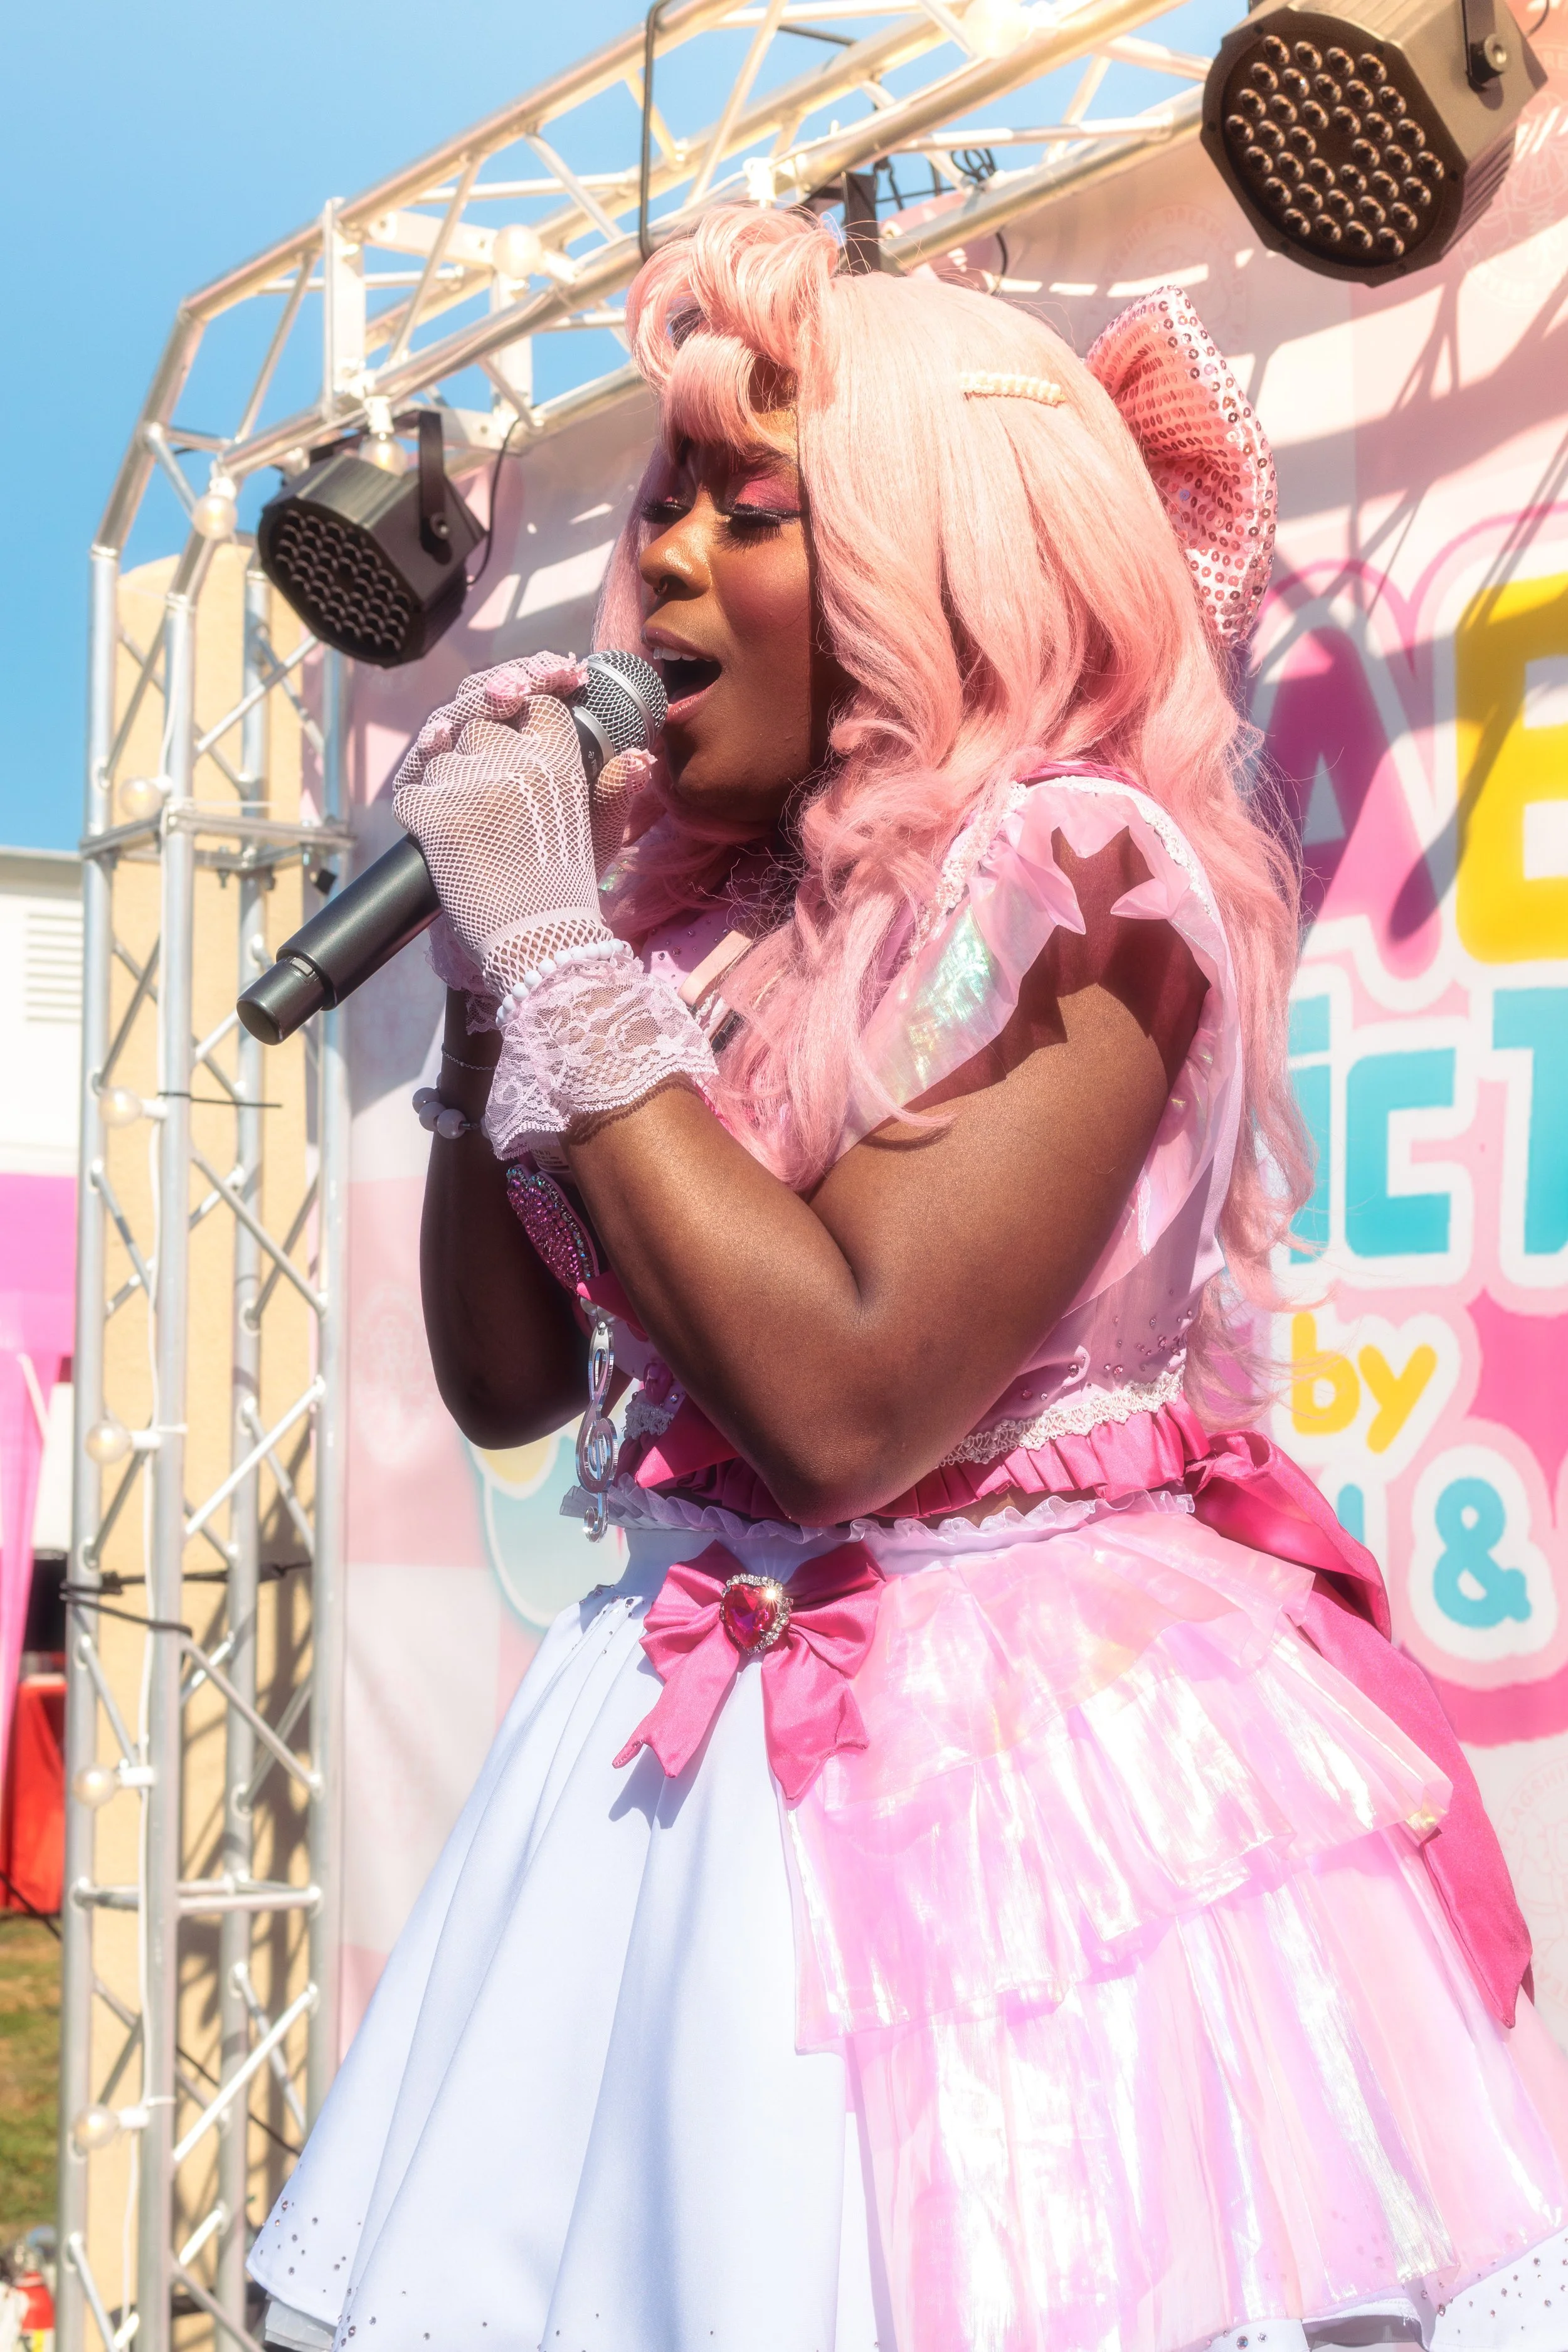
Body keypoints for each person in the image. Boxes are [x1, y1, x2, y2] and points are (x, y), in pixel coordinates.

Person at [250, 206, 1568, 2352]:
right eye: (655, 503)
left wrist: (571, 974)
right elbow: (507, 1381)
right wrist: (502, 985)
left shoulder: (1081, 887)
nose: (656, 559)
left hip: (1010, 1786)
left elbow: (849, 1407)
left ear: (922, 554)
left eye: (738, 508)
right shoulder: (676, 925)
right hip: (682, 1774)